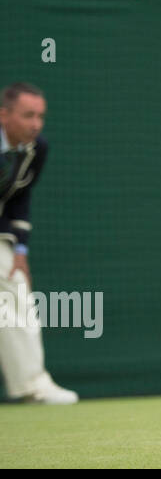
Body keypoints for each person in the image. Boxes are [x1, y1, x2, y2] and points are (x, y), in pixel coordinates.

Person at [0, 83, 78, 405]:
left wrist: (20, 251)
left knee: (14, 283)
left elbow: (20, 199)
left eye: (40, 116)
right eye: (28, 115)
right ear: (3, 115)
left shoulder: (37, 149)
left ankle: (33, 384)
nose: (36, 124)